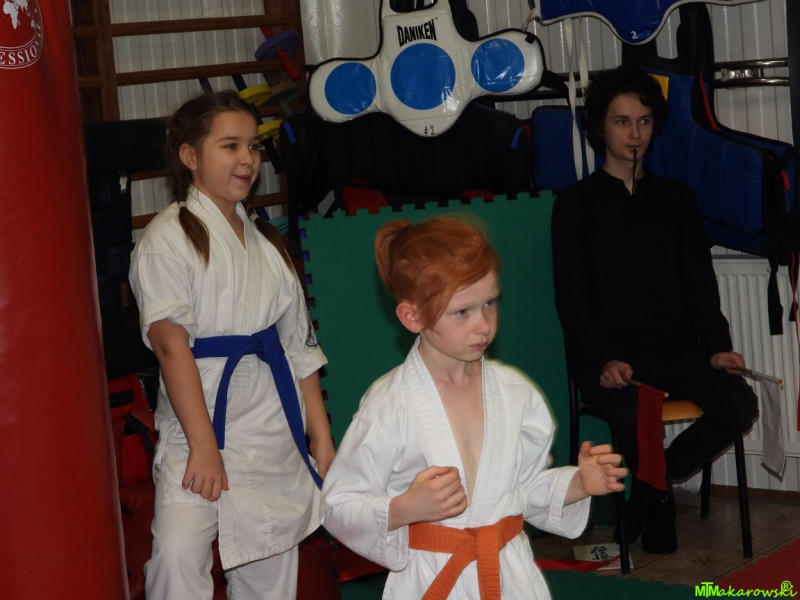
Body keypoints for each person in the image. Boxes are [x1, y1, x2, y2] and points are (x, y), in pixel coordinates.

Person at [321, 215, 627, 599]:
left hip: (509, 574)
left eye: (489, 303)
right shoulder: (389, 403)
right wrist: (404, 508)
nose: (483, 325)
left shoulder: (516, 393)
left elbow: (523, 489)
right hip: (432, 576)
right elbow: (338, 506)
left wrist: (578, 484)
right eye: (462, 312)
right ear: (412, 316)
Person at [128, 90, 335, 599]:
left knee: (270, 566)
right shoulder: (166, 239)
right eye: (230, 146)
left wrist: (321, 439)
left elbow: (300, 349)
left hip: (270, 425)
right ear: (190, 156)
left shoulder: (267, 241)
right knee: (177, 556)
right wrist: (204, 446)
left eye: (253, 147)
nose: (247, 159)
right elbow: (171, 348)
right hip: (194, 426)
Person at [551, 65, 759, 554]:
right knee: (630, 412)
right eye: (622, 121)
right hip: (612, 359)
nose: (634, 133)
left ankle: (651, 489)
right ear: (601, 127)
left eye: (643, 121)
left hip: (676, 351)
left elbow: (701, 286)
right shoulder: (574, 204)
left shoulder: (677, 200)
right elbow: (572, 296)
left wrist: (718, 348)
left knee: (740, 402)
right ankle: (658, 503)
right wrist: (602, 359)